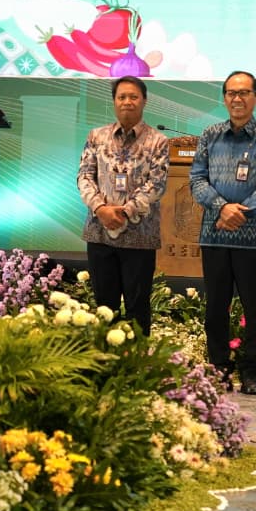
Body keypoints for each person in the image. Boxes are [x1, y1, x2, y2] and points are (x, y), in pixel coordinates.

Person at [189, 71, 256, 395]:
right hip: (215, 235)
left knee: (254, 308)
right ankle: (219, 370)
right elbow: (197, 179)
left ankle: (251, 371)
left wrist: (238, 212)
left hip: (254, 239)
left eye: (244, 93)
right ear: (224, 98)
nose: (237, 98)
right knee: (216, 307)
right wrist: (221, 208)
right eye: (231, 93)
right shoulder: (210, 135)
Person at [77, 75, 169, 336]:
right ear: (114, 101)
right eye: (122, 97)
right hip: (100, 234)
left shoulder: (158, 141)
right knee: (104, 308)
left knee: (137, 307)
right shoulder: (96, 136)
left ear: (144, 101)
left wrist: (125, 212)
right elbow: (84, 176)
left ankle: (138, 358)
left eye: (133, 97)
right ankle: (106, 358)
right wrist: (101, 209)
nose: (127, 101)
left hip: (140, 237)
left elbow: (157, 184)